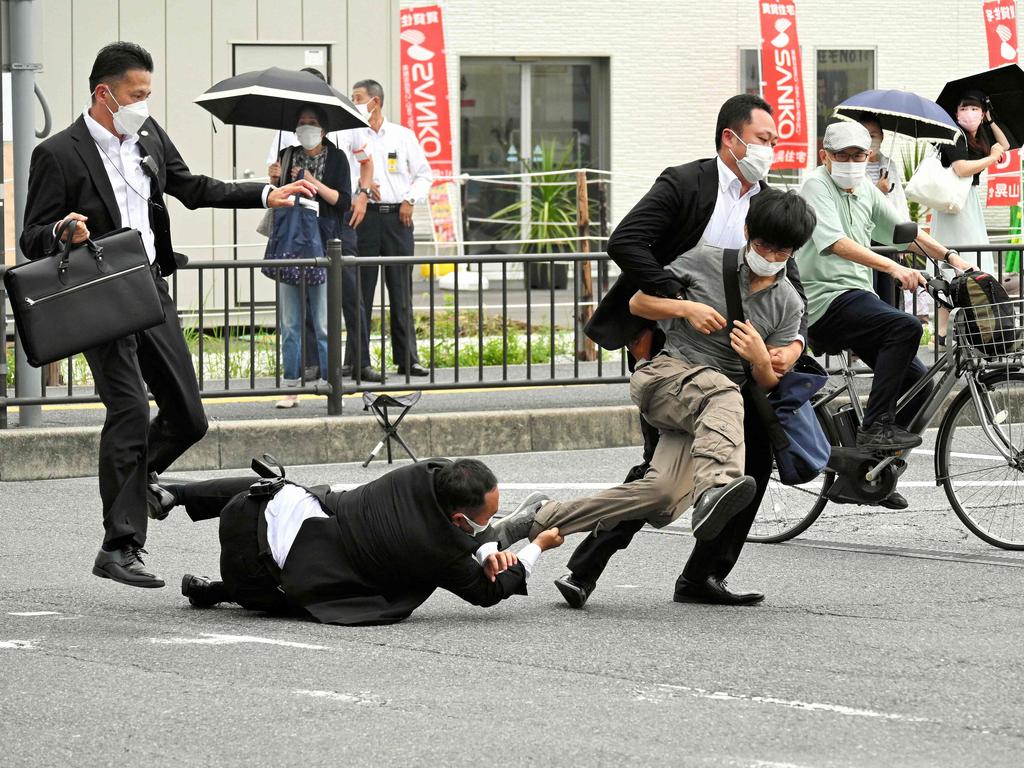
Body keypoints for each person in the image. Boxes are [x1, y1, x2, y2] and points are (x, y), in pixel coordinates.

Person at [19, 42, 315, 588]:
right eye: (137, 95)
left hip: (149, 288)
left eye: (148, 95)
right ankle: (120, 544)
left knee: (189, 416)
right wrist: (64, 231)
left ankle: (137, 481)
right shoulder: (59, 154)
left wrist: (265, 193)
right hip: (97, 294)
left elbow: (192, 188)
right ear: (103, 93)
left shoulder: (149, 138)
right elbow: (31, 236)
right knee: (129, 410)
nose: (144, 105)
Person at [490, 191, 814, 602]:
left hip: (708, 408)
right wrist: (685, 310)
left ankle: (538, 517)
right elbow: (638, 302)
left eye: (779, 249)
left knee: (657, 494)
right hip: (665, 377)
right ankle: (717, 486)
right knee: (723, 391)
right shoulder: (705, 260)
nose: (767, 254)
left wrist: (757, 358)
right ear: (748, 232)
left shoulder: (788, 303)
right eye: (762, 244)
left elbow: (768, 382)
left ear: (793, 251)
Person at [555, 94, 809, 609]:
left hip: (740, 358)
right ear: (730, 139)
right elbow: (626, 241)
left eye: (774, 142)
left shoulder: (768, 201)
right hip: (676, 347)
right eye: (763, 140)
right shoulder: (687, 183)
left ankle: (704, 575)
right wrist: (678, 299)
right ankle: (586, 567)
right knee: (660, 467)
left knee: (754, 458)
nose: (770, 150)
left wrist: (794, 346)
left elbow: (789, 279)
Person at [150, 459, 564, 625]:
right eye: (487, 517)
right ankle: (224, 591)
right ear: (458, 520)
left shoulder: (421, 474)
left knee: (284, 488)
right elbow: (488, 594)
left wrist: (486, 546)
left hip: (250, 510)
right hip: (260, 575)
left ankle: (179, 493)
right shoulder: (438, 550)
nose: (489, 521)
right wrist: (538, 546)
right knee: (315, 590)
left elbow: (460, 520)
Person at [796, 121, 976, 472]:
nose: (851, 161)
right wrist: (893, 268)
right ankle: (875, 428)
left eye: (859, 155)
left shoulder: (864, 188)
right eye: (842, 155)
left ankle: (872, 472)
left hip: (858, 298)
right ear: (825, 156)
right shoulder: (815, 186)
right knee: (905, 326)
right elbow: (835, 242)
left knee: (919, 386)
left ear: (870, 156)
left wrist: (953, 260)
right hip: (825, 301)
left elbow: (903, 232)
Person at [264, 67, 378, 382]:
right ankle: (309, 365)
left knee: (350, 295)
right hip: (298, 232)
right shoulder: (285, 136)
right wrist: (274, 179)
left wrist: (363, 195)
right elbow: (275, 186)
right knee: (304, 302)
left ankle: (359, 361)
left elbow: (365, 164)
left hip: (336, 227)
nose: (306, 128)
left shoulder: (346, 122)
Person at [336, 78, 433, 380]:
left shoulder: (402, 136)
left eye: (358, 97)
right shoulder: (350, 135)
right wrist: (362, 187)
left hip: (397, 218)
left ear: (374, 101)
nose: (354, 102)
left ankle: (407, 359)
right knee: (359, 293)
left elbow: (424, 175)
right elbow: (343, 174)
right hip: (362, 216)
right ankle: (355, 360)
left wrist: (409, 199)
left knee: (400, 290)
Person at [266, 105, 357, 408]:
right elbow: (278, 198)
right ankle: (291, 386)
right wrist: (276, 180)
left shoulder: (338, 158)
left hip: (324, 242)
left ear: (324, 130)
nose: (306, 128)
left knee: (323, 321)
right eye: (302, 123)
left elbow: (342, 201)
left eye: (313, 123)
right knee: (290, 322)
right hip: (291, 242)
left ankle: (330, 382)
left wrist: (311, 181)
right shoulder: (288, 154)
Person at [931, 90, 1010, 340]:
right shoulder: (952, 135)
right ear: (956, 113)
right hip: (954, 206)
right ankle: (943, 332)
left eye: (975, 108)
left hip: (968, 202)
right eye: (965, 108)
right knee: (953, 265)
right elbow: (962, 168)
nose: (970, 113)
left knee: (972, 263)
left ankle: (962, 330)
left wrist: (990, 119)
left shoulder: (979, 135)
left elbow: (1004, 144)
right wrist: (991, 158)